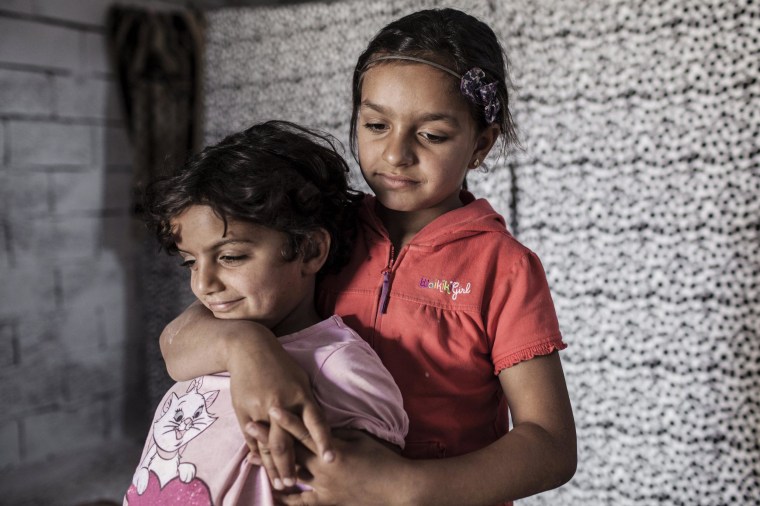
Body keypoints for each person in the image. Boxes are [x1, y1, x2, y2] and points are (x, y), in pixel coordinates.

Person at [159, 8, 577, 506]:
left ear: (480, 144)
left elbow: (550, 445)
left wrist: (405, 486)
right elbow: (178, 342)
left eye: (433, 135)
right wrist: (248, 348)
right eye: (376, 124)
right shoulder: (325, 228)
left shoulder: (503, 267)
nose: (396, 154)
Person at [124, 121, 408, 506]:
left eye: (231, 257)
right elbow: (171, 344)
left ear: (308, 250)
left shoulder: (339, 366)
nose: (204, 284)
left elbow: (370, 486)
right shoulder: (213, 335)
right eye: (190, 262)